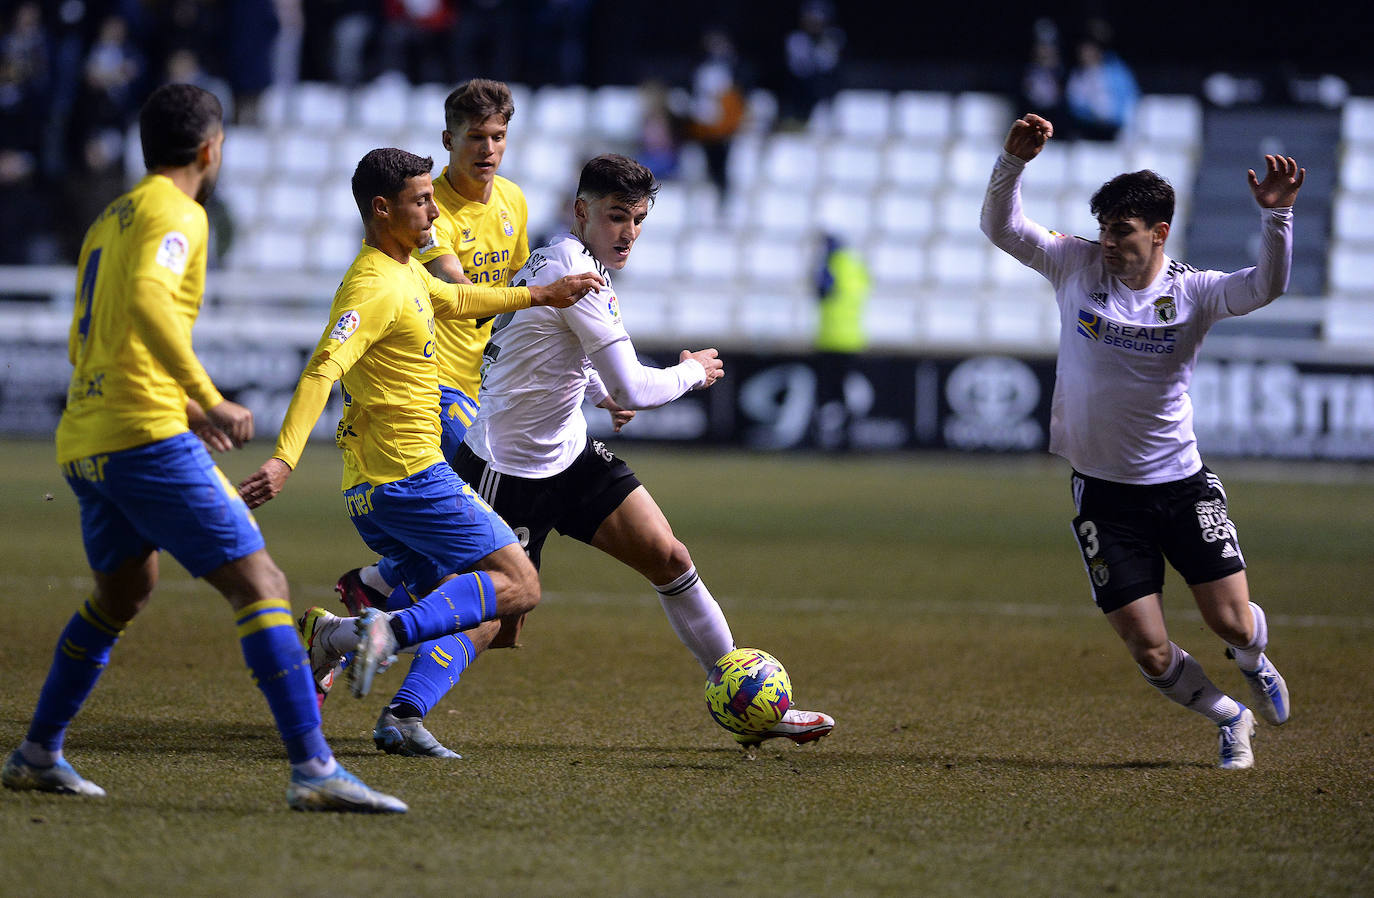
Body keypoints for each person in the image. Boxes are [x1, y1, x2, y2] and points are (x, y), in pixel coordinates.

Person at [1, 84, 406, 812]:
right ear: (210, 148)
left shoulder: (111, 219)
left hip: (88, 439)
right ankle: (314, 769)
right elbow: (149, 303)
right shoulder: (179, 212)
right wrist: (206, 395)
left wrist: (186, 408)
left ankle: (37, 753)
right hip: (142, 439)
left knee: (123, 593)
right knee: (263, 585)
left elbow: (99, 336)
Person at [453, 153, 835, 747]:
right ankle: (354, 632)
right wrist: (693, 372)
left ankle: (749, 702)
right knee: (495, 625)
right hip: (509, 469)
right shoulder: (578, 275)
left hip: (569, 457)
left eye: (638, 220)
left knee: (670, 557)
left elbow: (552, 352)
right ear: (582, 212)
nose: (629, 232)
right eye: (616, 216)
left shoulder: (572, 263)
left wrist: (598, 393)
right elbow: (635, 386)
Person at [981, 113, 1301, 769]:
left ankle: (1251, 657)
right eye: (1102, 227)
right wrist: (1012, 163)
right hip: (1104, 496)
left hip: (1181, 486)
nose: (1107, 241)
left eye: (1121, 230)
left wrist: (1277, 217)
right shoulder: (1074, 264)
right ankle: (1229, 716)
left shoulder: (1194, 292)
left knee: (1232, 622)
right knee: (1150, 650)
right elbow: (1002, 228)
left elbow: (1265, 286)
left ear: (1158, 232)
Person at [236, 147, 600, 711]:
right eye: (422, 201)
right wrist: (284, 459)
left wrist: (541, 295)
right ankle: (379, 643)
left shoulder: (404, 271)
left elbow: (457, 297)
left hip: (374, 488)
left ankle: (337, 639)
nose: (434, 212)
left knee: (458, 605)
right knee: (519, 584)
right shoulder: (372, 288)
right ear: (383, 208)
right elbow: (321, 370)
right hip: (409, 477)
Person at [331, 78, 534, 757]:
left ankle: (370, 624)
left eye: (498, 136)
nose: (488, 149)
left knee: (489, 603)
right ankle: (379, 606)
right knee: (504, 584)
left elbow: (506, 311)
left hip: (480, 397)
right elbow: (459, 292)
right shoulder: (424, 208)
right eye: (476, 137)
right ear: (449, 140)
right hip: (436, 397)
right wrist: (543, 298)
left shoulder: (513, 203)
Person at [811, 232, 871, 451]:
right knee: (845, 391)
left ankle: (825, 436)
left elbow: (821, 291)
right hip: (852, 339)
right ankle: (847, 436)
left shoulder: (831, 265)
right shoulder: (856, 266)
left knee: (827, 392)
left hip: (830, 338)